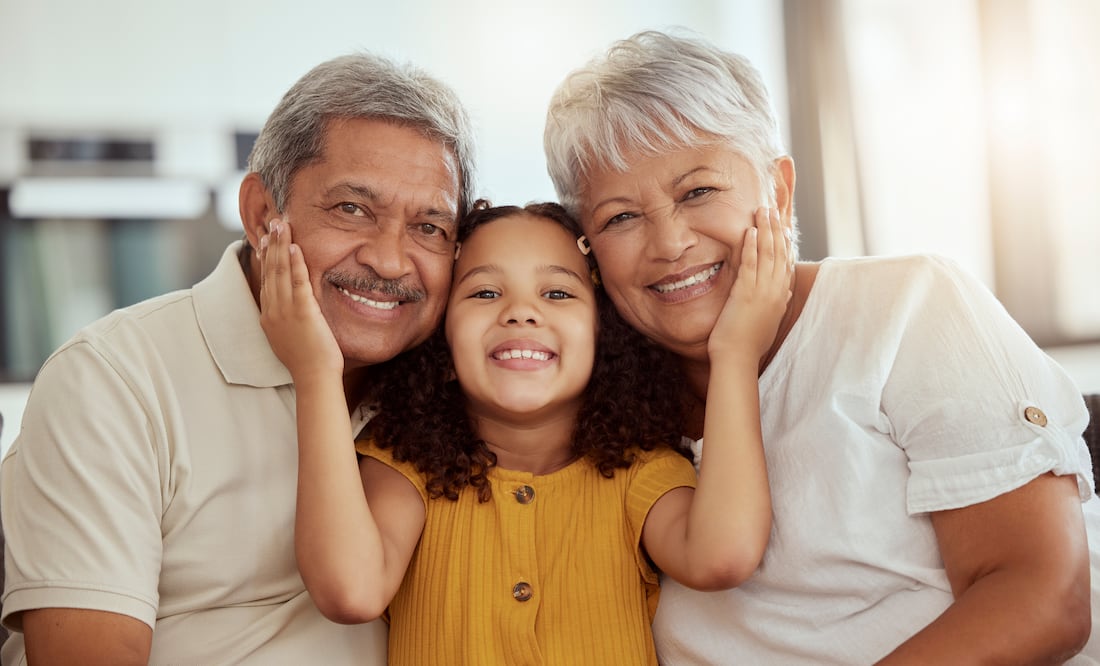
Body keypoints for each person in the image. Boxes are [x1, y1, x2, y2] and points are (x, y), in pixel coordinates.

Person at [544, 29, 1099, 665]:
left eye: (697, 192)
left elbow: (1043, 601)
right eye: (620, 217)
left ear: (777, 191)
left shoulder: (907, 303)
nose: (669, 243)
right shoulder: (600, 409)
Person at [0, 52, 475, 665]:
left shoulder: (458, 389)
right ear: (260, 215)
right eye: (352, 209)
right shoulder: (113, 379)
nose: (389, 261)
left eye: (430, 227)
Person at [256, 199, 790, 664]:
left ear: (604, 337)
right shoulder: (405, 467)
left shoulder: (639, 472)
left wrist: (736, 354)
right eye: (485, 293)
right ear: (443, 342)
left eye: (557, 294)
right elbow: (350, 592)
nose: (521, 313)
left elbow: (722, 556)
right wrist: (315, 372)